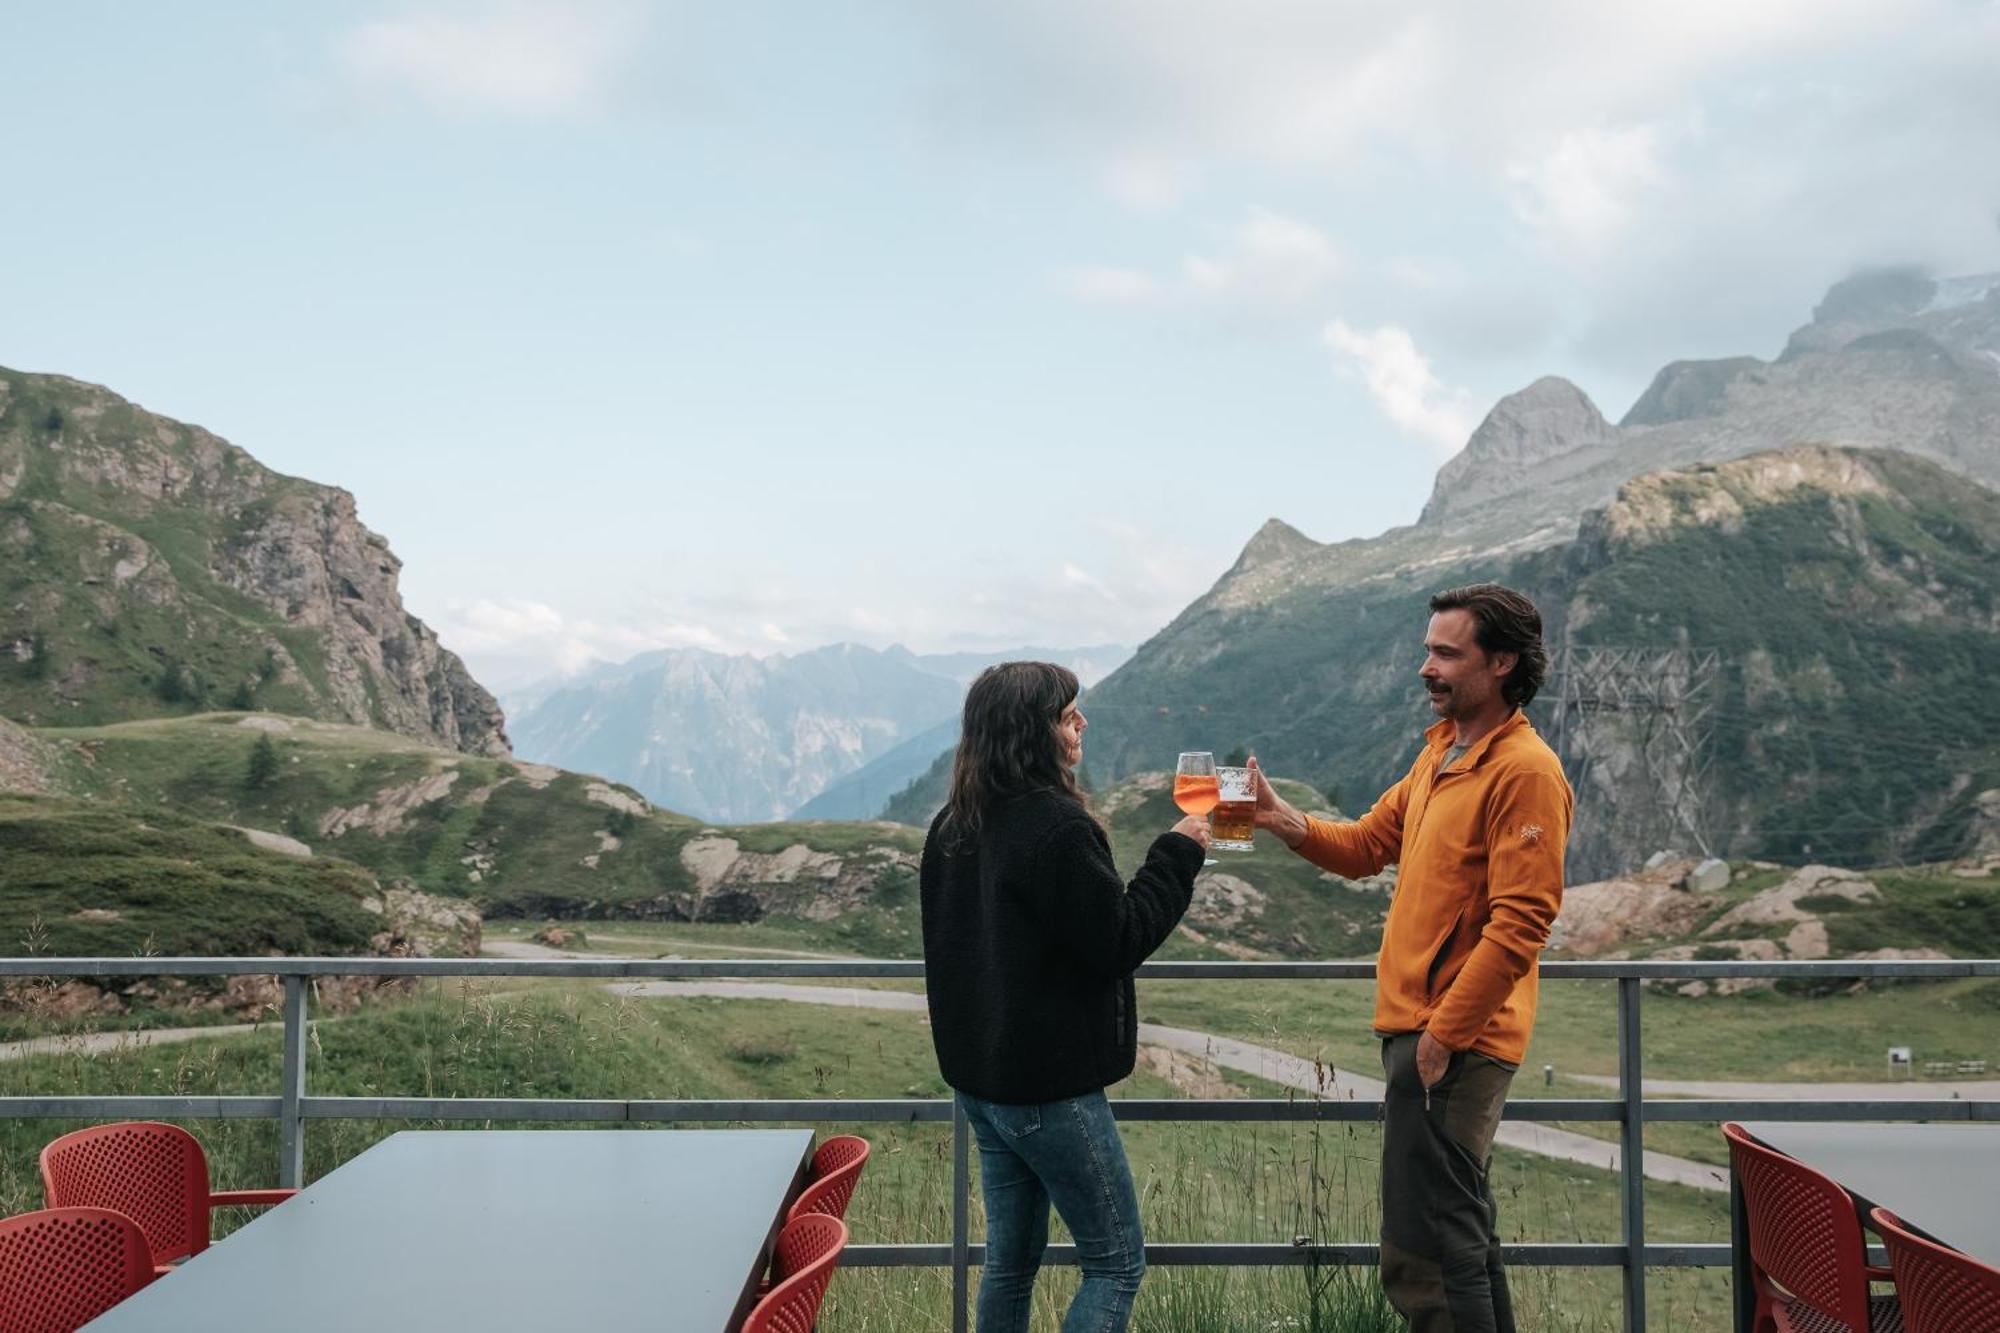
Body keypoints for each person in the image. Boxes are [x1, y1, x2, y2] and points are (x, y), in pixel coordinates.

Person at [1249, 583, 1571, 1333]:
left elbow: (1522, 923)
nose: (1425, 666)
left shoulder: (1522, 771)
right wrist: (1282, 818)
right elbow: (1367, 846)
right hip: (1425, 1036)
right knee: (1460, 1240)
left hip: (1450, 1043)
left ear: (1501, 663)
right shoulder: (1443, 753)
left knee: (1425, 1253)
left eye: (1445, 653)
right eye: (1427, 649)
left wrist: (1442, 1037)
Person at [920, 661, 1208, 1333]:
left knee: (1010, 1264)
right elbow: (1119, 939)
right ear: (1033, 730)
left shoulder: (953, 822)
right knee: (1115, 1263)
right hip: (1048, 1090)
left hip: (982, 1083)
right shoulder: (1056, 828)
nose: (1082, 722)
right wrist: (1178, 850)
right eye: (1067, 713)